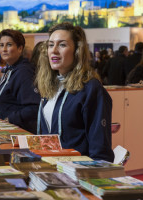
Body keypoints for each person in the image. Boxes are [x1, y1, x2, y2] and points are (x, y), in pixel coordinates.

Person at [35, 22, 114, 162]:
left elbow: (100, 149)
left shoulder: (91, 89)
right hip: (52, 169)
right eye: (51, 45)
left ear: (77, 50)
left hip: (76, 173)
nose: (54, 50)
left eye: (62, 45)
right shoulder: (51, 85)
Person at [0, 29, 40, 134]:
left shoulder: (23, 72)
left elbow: (34, 107)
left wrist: (9, 120)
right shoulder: (10, 69)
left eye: (9, 45)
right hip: (5, 131)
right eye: (1, 45)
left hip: (18, 133)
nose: (4, 49)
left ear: (20, 48)